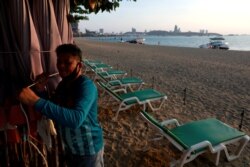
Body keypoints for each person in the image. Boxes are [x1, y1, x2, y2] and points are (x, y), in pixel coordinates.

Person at [18, 44, 104, 167]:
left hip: (89, 151)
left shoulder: (86, 86)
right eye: (59, 62)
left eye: (67, 63)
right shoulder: (63, 85)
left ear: (79, 66)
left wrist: (35, 101)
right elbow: (54, 109)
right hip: (70, 149)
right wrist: (41, 91)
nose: (61, 66)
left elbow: (76, 119)